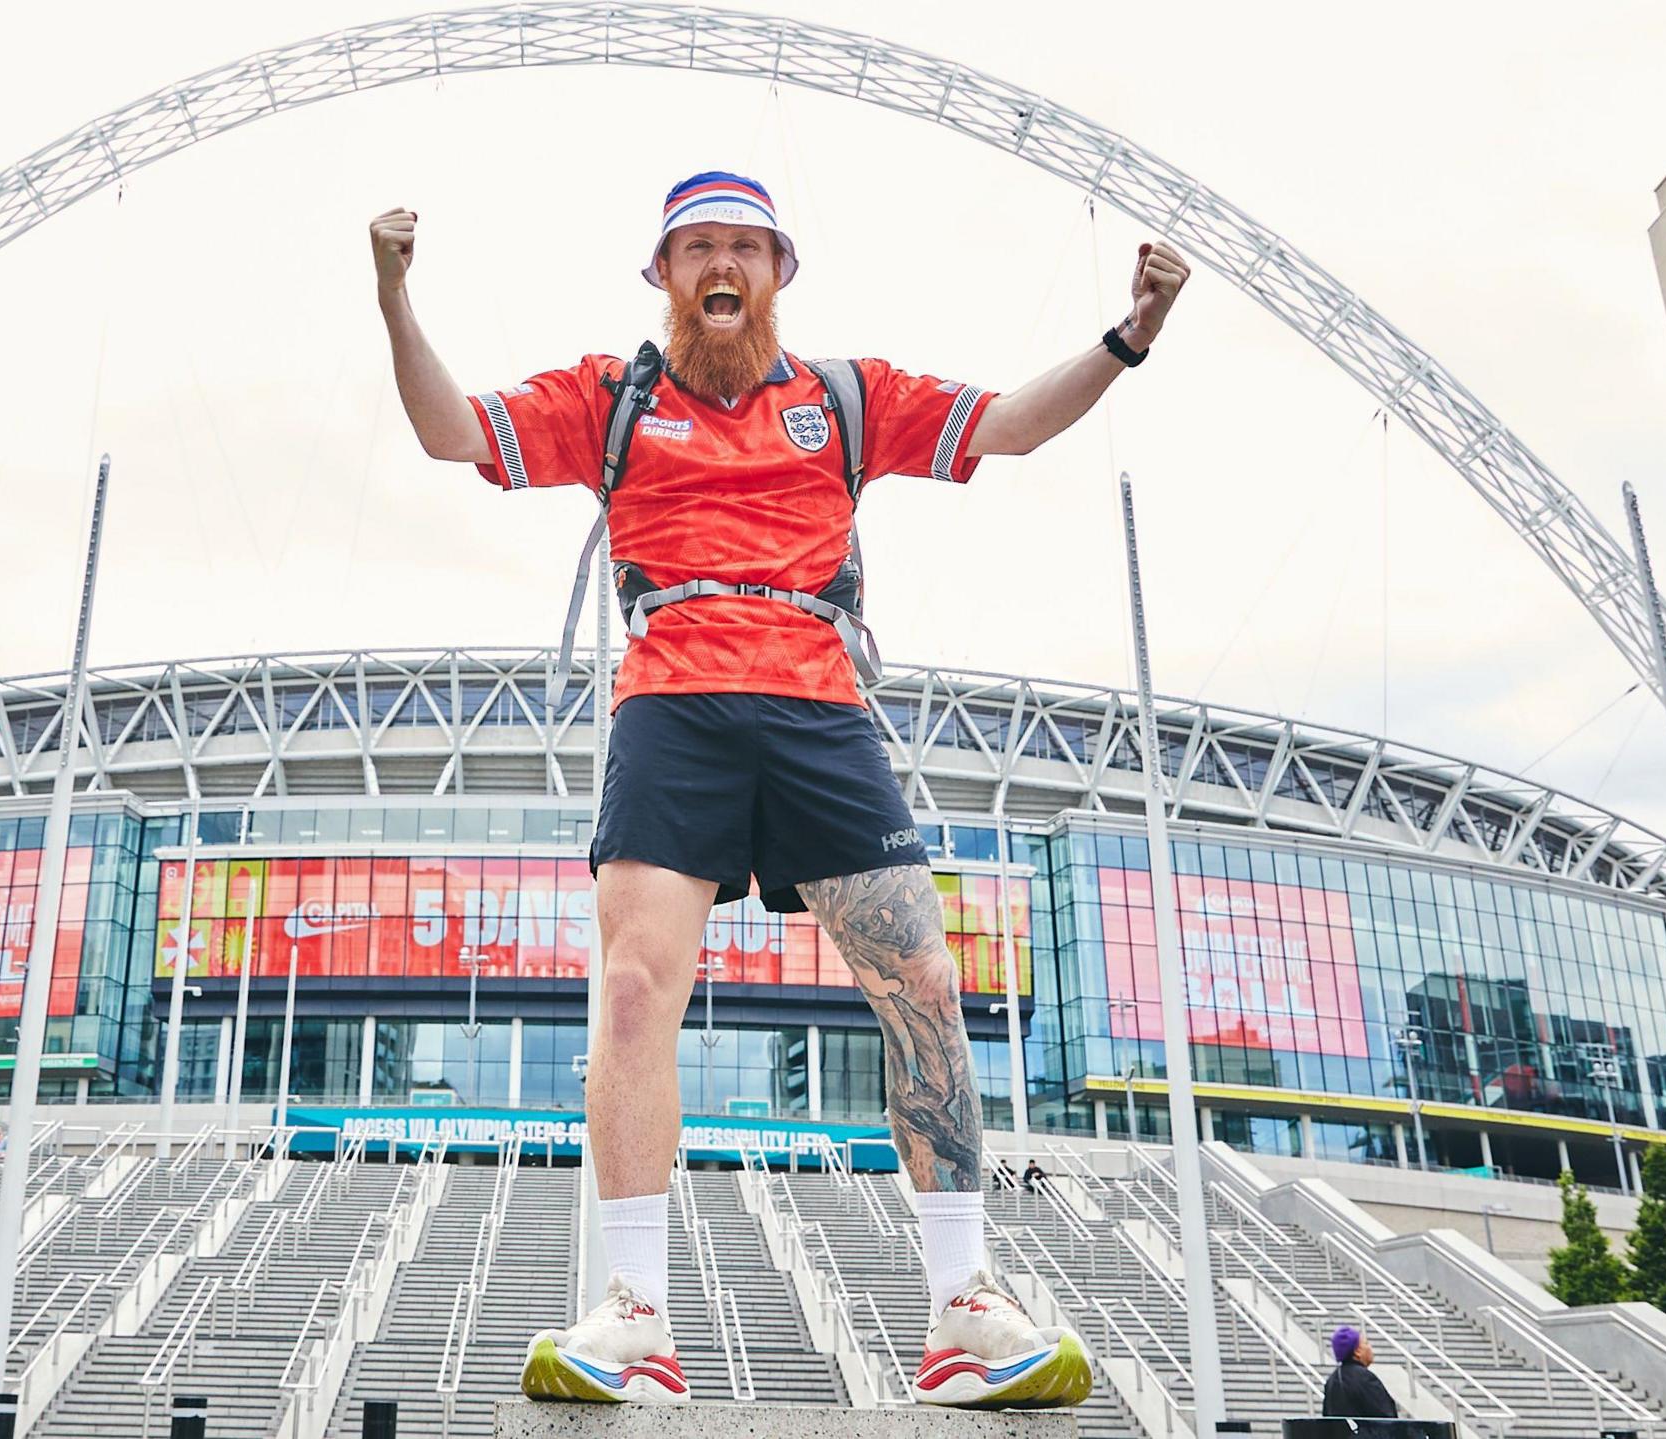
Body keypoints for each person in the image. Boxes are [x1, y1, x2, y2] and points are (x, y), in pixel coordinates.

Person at [370, 171, 1185, 1409]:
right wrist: (393, 298)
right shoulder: (609, 396)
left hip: (817, 699)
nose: (721, 263)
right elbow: (448, 431)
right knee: (635, 981)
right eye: (697, 244)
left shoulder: (846, 398)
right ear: (661, 274)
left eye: (744, 245)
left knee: (918, 973)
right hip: (672, 699)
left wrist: (1129, 335)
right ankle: (635, 1312)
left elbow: (1010, 422)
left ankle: (965, 1303)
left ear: (777, 272)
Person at [1323, 1325, 1399, 1419]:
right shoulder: (1365, 1378)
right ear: (1357, 1351)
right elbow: (1386, 1417)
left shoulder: (1331, 1381)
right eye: (1366, 1343)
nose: (1370, 1347)